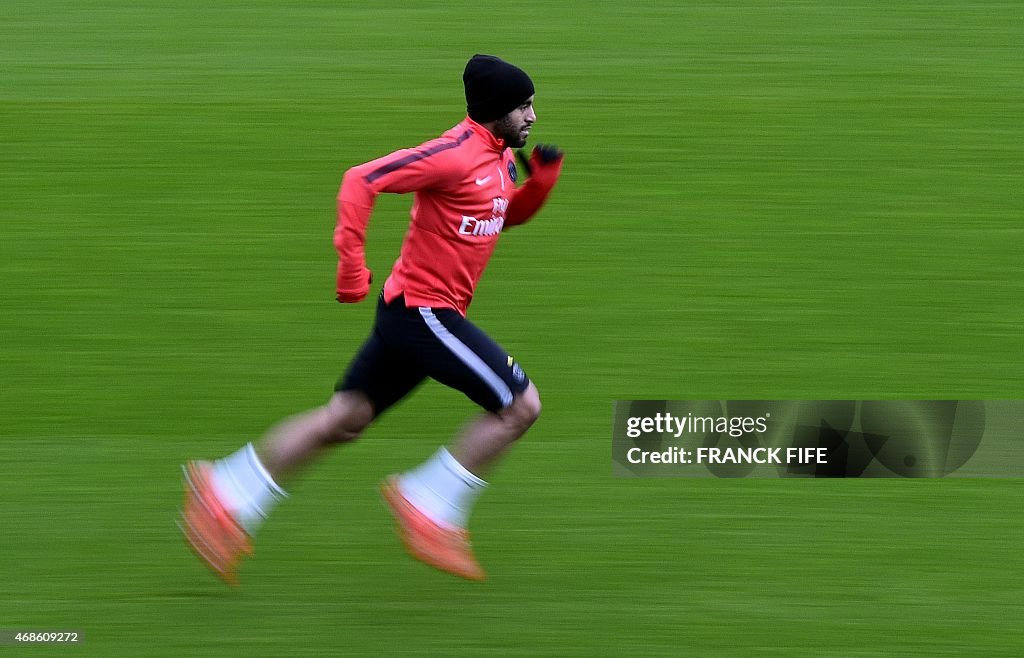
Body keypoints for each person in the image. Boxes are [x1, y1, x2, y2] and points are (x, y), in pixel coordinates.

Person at [179, 54, 564, 584]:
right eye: (523, 106)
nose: (533, 117)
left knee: (346, 418)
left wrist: (537, 189)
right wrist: (350, 265)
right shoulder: (452, 154)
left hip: (413, 313)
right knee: (521, 406)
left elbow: (499, 215)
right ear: (497, 109)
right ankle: (428, 503)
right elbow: (362, 179)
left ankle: (226, 491)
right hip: (424, 313)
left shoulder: (499, 159)